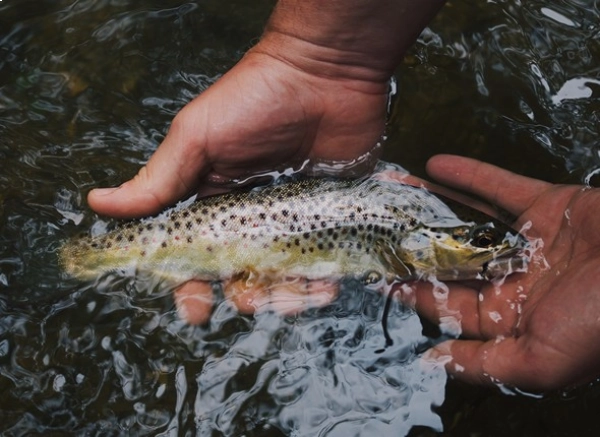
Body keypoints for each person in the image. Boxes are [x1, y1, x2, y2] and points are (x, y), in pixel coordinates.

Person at [86, 0, 600, 392]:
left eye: (485, 243)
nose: (498, 249)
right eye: (482, 241)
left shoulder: (406, 232)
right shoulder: (409, 231)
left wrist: (316, 57)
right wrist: (312, 60)